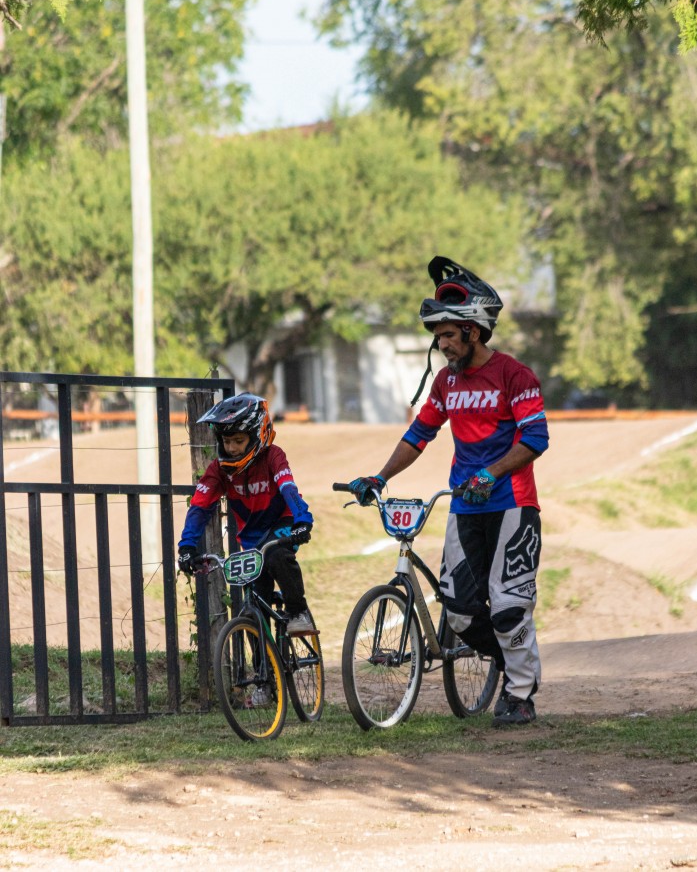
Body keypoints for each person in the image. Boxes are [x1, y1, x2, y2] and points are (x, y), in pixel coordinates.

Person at [348, 256, 549, 727]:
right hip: (464, 506)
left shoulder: (515, 376)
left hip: (512, 504)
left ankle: (521, 694)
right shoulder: (445, 382)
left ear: (474, 332)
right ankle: (504, 659)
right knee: (457, 609)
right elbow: (419, 435)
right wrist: (380, 477)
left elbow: (535, 440)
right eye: (437, 336)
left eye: (447, 335)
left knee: (508, 605)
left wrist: (491, 474)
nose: (440, 344)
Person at [177, 392, 315, 645]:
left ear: (258, 434)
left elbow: (288, 488)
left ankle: (298, 611)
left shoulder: (273, 456)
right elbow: (199, 507)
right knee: (253, 611)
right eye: (226, 441)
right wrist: (186, 546)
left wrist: (302, 519)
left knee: (277, 557)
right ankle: (266, 679)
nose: (231, 448)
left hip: (282, 524)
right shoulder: (218, 470)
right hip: (251, 539)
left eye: (239, 441)